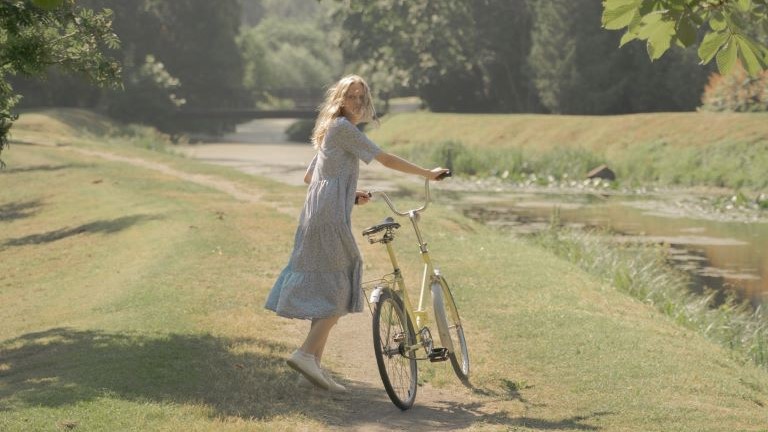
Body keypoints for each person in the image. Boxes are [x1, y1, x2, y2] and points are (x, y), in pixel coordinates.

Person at [264, 74, 448, 392]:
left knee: (328, 282)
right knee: (343, 281)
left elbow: (312, 177)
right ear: (339, 98)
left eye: (361, 97)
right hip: (329, 217)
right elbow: (385, 158)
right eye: (351, 96)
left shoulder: (328, 129)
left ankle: (310, 368)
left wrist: (349, 193)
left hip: (316, 214)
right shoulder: (344, 129)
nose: (357, 102)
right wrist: (427, 174)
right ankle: (306, 354)